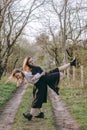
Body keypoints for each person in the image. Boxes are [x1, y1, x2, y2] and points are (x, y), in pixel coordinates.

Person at [10, 56, 76, 121]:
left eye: (18, 75)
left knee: (60, 73)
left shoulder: (26, 73)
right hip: (41, 81)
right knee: (37, 98)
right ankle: (41, 113)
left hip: (42, 80)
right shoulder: (25, 73)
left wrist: (36, 76)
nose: (18, 77)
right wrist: (22, 81)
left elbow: (36, 75)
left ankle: (30, 115)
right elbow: (28, 78)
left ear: (20, 72)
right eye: (17, 76)